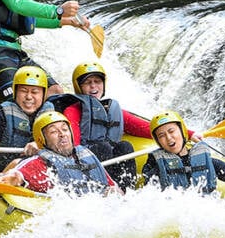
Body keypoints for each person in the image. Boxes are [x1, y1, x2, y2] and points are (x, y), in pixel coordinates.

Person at [52, 61, 153, 190]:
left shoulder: (114, 111)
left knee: (125, 146)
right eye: (88, 83)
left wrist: (185, 134)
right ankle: (106, 190)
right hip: (83, 163)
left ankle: (126, 191)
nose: (93, 86)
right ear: (79, 87)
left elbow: (149, 128)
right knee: (103, 147)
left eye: (97, 82)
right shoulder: (73, 110)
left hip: (109, 164)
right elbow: (73, 143)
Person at [0, 111, 115, 195]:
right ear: (41, 140)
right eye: (53, 131)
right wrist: (10, 180)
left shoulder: (86, 155)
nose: (62, 134)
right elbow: (16, 176)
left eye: (65, 129)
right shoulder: (38, 164)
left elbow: (113, 187)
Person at [0, 65, 54, 179]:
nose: (28, 97)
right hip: (1, 166)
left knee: (19, 163)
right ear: (15, 92)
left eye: (35, 92)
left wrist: (40, 144)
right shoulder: (0, 112)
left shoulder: (51, 114)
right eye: (24, 91)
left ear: (43, 94)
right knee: (16, 163)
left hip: (30, 169)